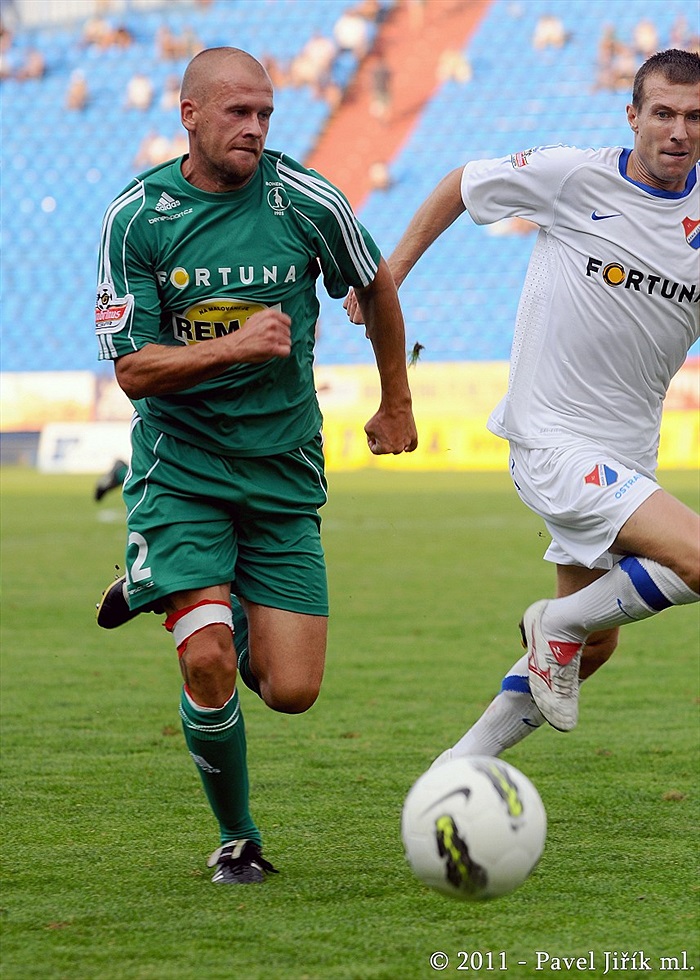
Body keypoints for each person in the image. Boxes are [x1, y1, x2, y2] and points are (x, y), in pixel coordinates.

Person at [94, 47, 417, 885]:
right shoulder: (138, 218)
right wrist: (233, 346)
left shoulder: (305, 200)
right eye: (238, 112)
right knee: (206, 657)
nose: (255, 127)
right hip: (182, 468)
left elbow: (377, 285)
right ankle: (238, 839)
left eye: (265, 114)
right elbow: (132, 369)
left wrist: (397, 402)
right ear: (190, 115)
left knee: (291, 690)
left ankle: (183, 585)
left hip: (282, 470)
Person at [346, 48, 699, 758]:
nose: (679, 131)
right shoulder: (573, 177)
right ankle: (557, 624)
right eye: (663, 113)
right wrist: (393, 275)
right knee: (686, 562)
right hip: (552, 440)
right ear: (632, 116)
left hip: (628, 453)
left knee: (594, 648)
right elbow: (461, 183)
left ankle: (458, 767)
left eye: (695, 117)